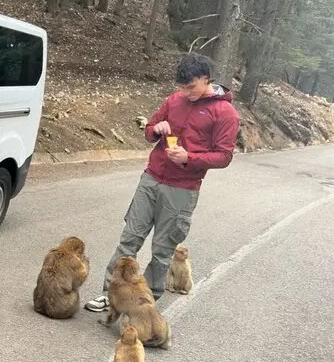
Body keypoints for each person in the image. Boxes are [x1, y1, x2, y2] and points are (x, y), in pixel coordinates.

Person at [84, 53, 239, 312]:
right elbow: (149, 130)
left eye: (190, 87)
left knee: (162, 250)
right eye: (181, 87)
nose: (185, 92)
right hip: (151, 179)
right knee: (129, 239)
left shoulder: (225, 113)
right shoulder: (174, 100)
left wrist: (189, 158)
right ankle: (110, 295)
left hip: (182, 189)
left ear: (206, 78)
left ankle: (146, 305)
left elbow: (224, 156)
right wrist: (156, 129)